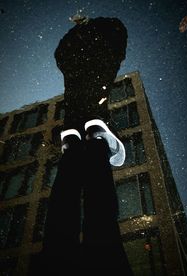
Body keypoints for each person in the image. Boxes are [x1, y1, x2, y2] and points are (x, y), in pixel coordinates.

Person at [38, 14, 134, 275]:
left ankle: (75, 138)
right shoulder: (107, 32)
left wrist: (81, 29)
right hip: (92, 77)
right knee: (100, 213)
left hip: (76, 90)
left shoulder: (73, 43)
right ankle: (93, 133)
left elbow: (61, 56)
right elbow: (117, 33)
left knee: (65, 193)